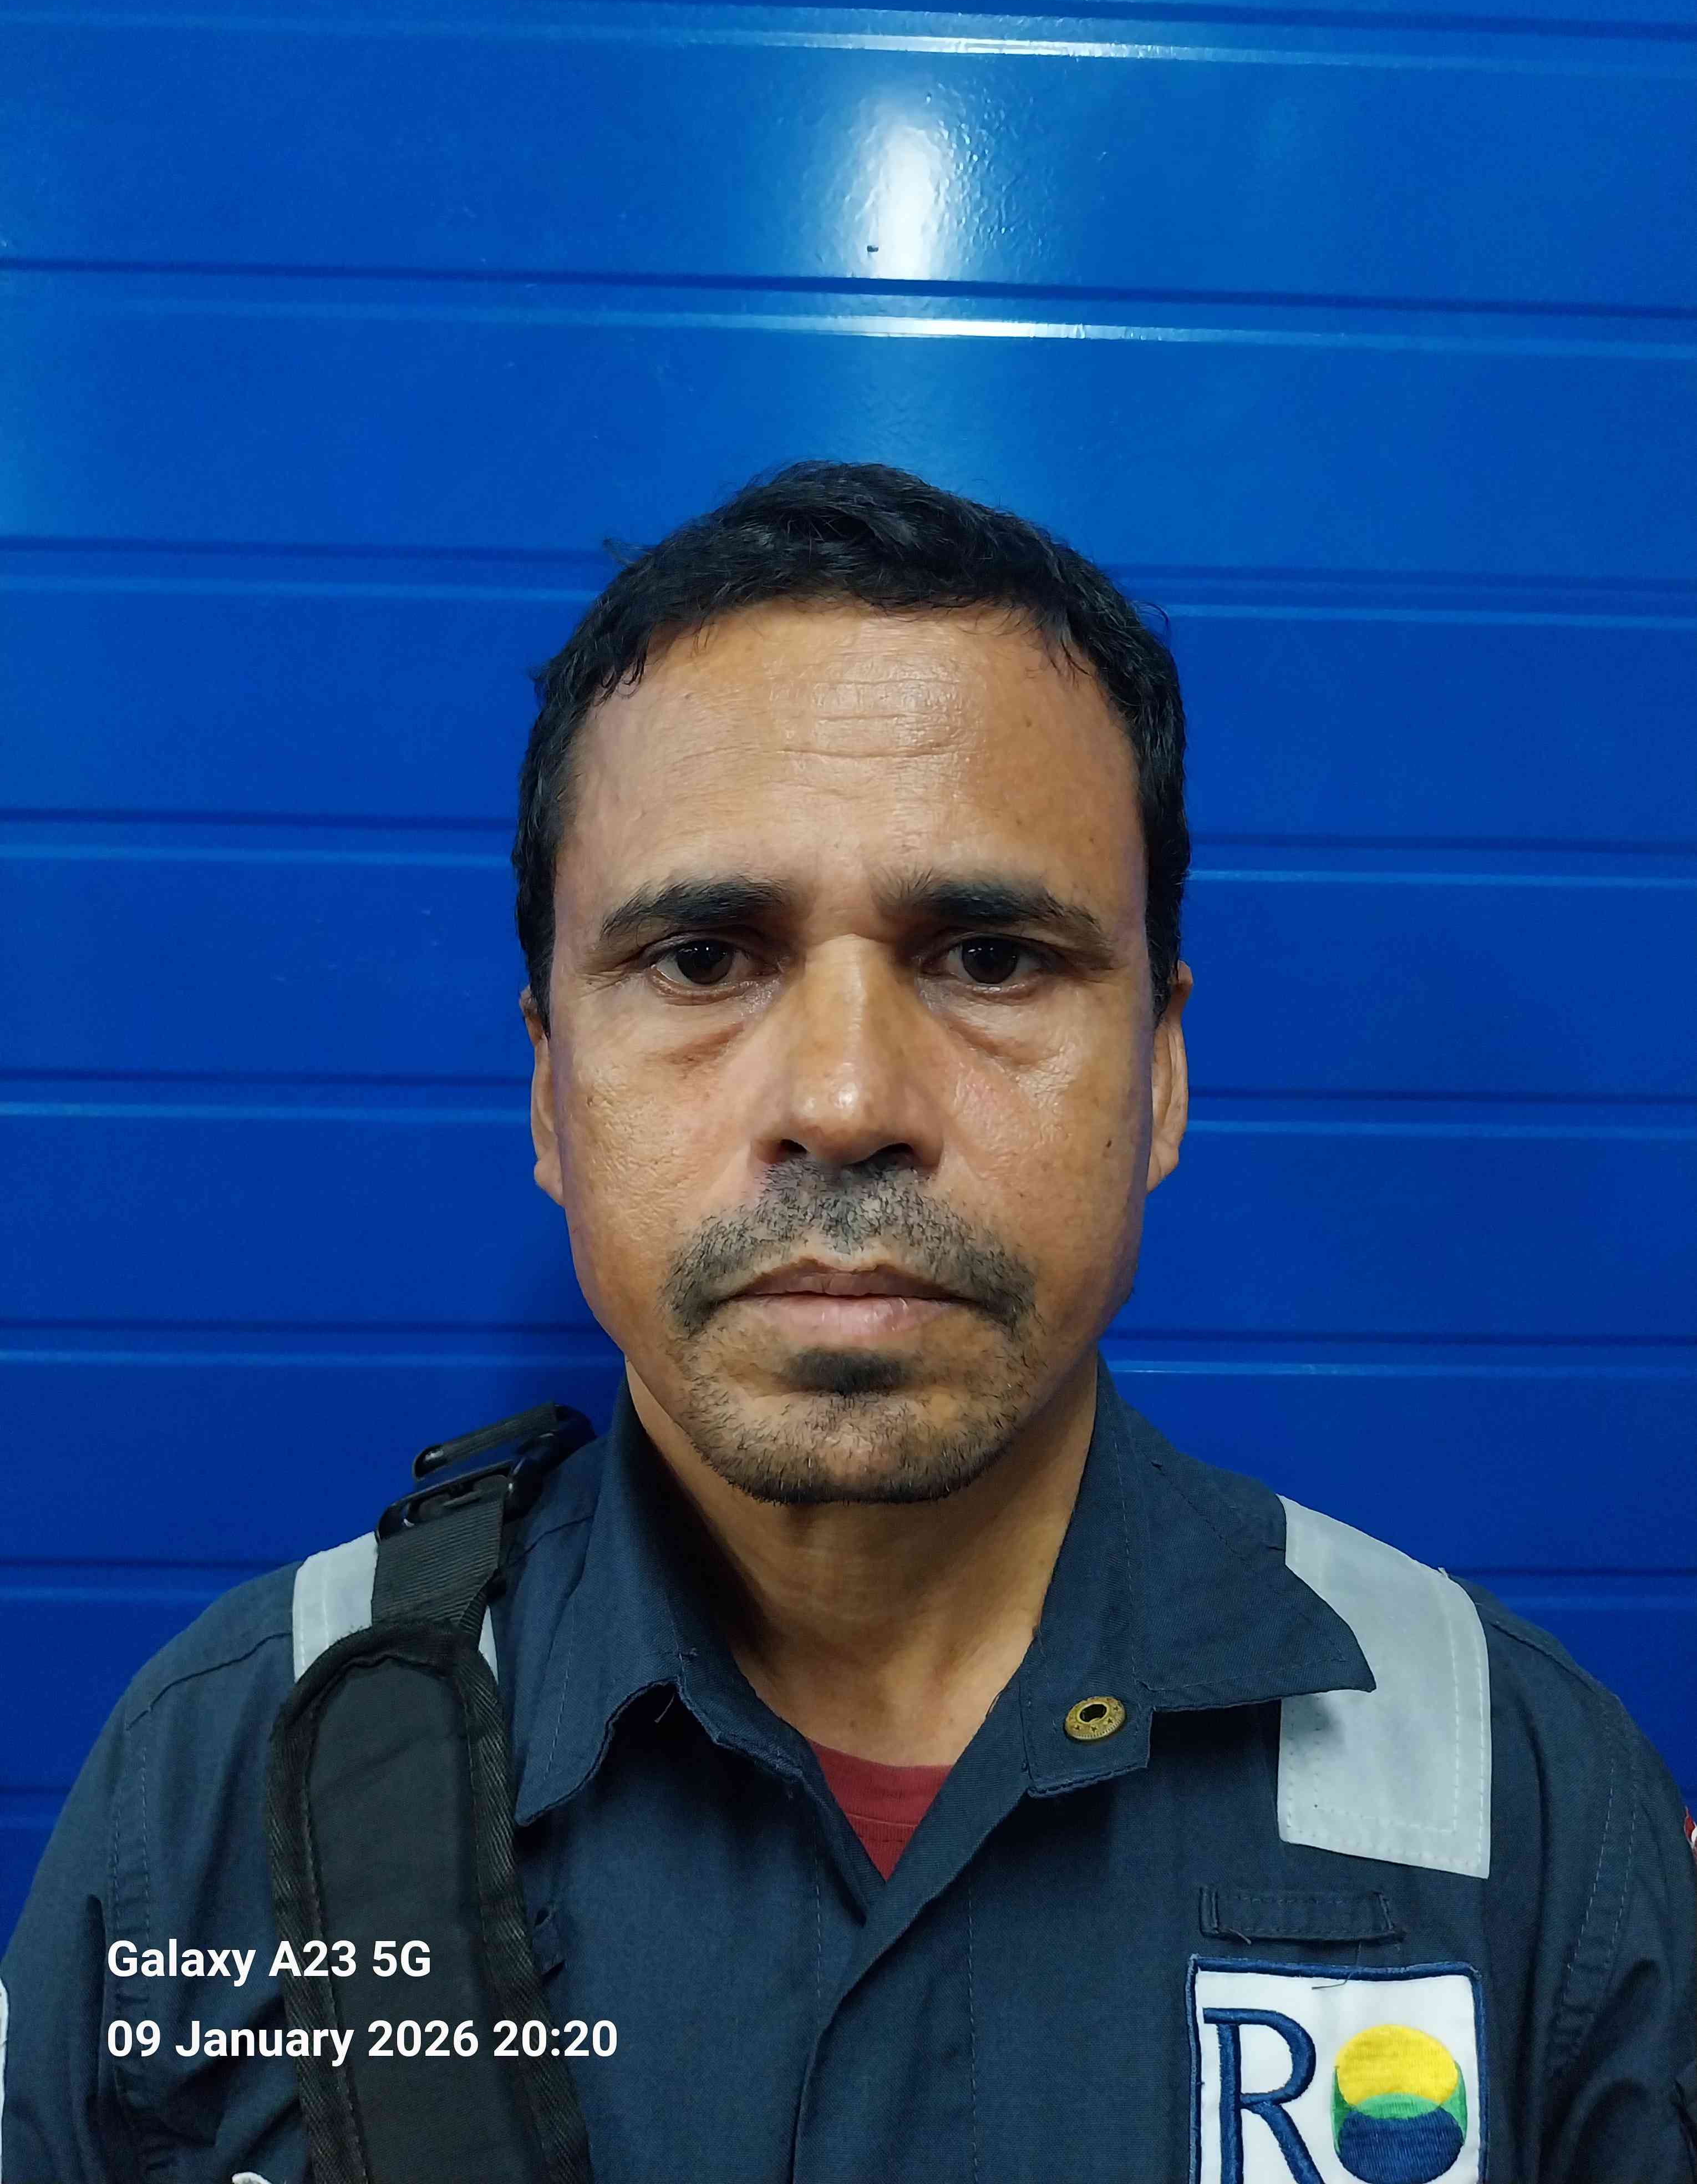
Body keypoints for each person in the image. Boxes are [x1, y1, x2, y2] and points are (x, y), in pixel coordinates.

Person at [2, 461, 1692, 2183]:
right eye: (703, 960)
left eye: (989, 957)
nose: (844, 1099)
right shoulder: (217, 1784)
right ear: (548, 1091)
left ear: (1163, 1076)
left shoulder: (1526, 1803)